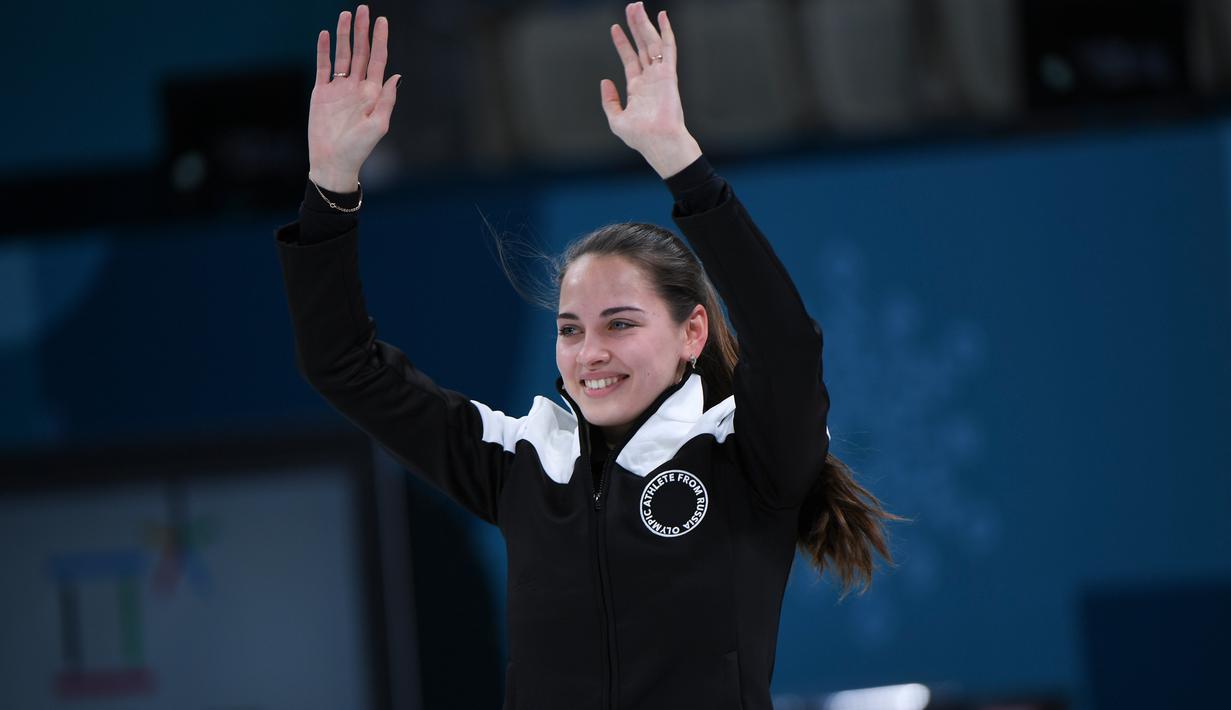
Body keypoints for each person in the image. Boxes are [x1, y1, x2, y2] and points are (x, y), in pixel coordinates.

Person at [275, 3, 898, 708]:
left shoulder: (746, 457)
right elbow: (340, 364)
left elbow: (785, 346)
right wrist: (329, 185)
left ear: (692, 334)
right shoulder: (515, 461)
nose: (589, 352)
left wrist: (681, 164)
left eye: (619, 324)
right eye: (570, 329)